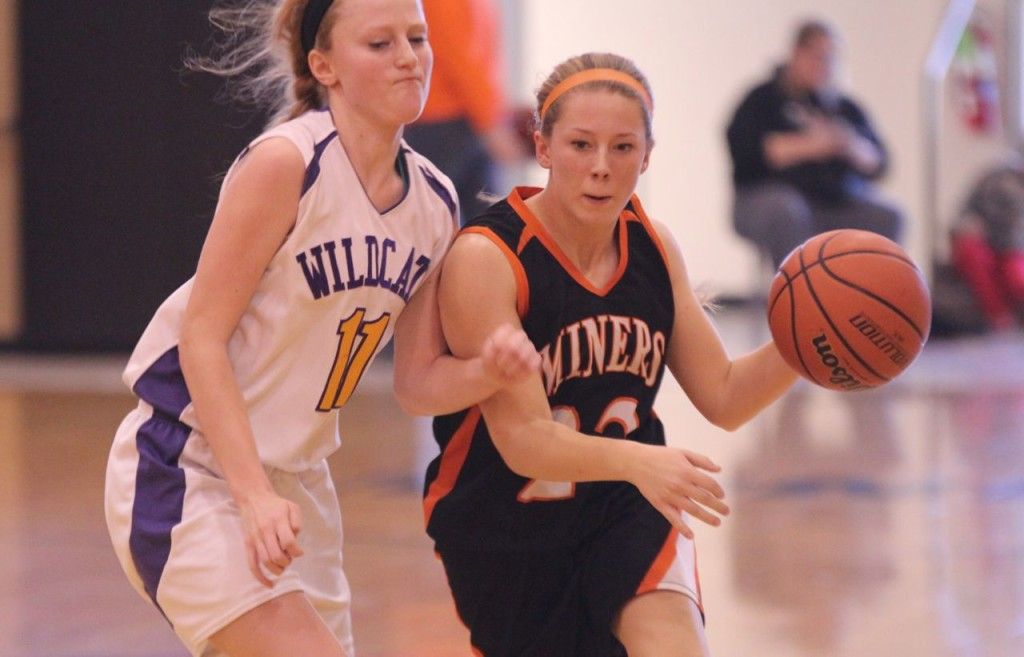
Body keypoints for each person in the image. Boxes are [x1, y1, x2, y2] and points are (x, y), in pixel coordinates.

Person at [103, 2, 538, 656]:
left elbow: (416, 385)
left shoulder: (436, 202)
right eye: (381, 43)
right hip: (191, 462)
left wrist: (491, 371)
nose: (408, 57)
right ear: (323, 65)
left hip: (301, 481)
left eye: (417, 38)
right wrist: (251, 496)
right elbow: (201, 337)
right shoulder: (287, 164)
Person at [422, 52, 800, 657]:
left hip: (626, 508)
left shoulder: (652, 245)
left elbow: (724, 395)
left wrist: (804, 346)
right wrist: (642, 462)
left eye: (623, 148)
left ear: (646, 156)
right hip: (503, 528)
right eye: (580, 144)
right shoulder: (489, 258)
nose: (601, 168)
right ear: (542, 147)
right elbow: (523, 440)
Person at [726, 19, 903, 268]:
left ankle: (867, 297)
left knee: (887, 215)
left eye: (831, 59)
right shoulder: (762, 99)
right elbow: (747, 151)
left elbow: (879, 163)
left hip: (833, 201)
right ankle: (796, 296)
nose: (825, 66)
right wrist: (811, 145)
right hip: (768, 198)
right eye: (818, 57)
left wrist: (848, 144)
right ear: (797, 54)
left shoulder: (844, 108)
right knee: (787, 211)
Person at [403, 0, 526, 222]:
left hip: (462, 120)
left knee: (489, 226)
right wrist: (492, 125)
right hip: (442, 123)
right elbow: (459, 57)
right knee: (434, 225)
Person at [950, 162, 1024, 330]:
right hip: (990, 246)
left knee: (1018, 279)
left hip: (1012, 250)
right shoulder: (1001, 180)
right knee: (972, 251)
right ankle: (998, 318)